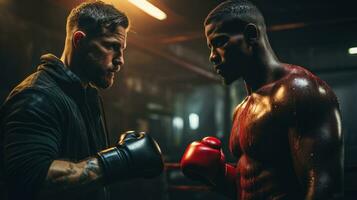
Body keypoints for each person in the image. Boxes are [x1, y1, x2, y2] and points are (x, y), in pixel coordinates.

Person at [0, 2, 163, 200]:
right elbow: (31, 180)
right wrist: (121, 159)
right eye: (112, 46)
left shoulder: (87, 97)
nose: (120, 60)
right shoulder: (36, 96)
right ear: (79, 40)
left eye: (122, 49)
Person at [180, 0, 343, 199]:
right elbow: (248, 187)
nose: (212, 56)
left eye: (220, 42)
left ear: (251, 35)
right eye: (210, 47)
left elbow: (323, 189)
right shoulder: (242, 109)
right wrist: (219, 174)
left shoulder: (299, 92)